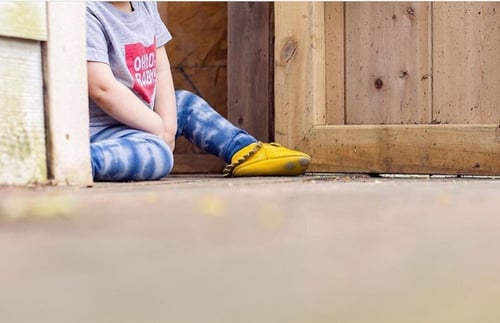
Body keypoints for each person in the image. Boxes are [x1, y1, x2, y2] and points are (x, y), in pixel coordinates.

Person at [86, 1, 311, 181]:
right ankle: (84, 161)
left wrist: (168, 125)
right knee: (159, 155)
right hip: (103, 132)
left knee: (184, 103)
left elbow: (161, 68)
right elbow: (102, 89)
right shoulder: (87, 11)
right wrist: (157, 127)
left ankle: (244, 151)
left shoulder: (145, 4)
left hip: (144, 119)